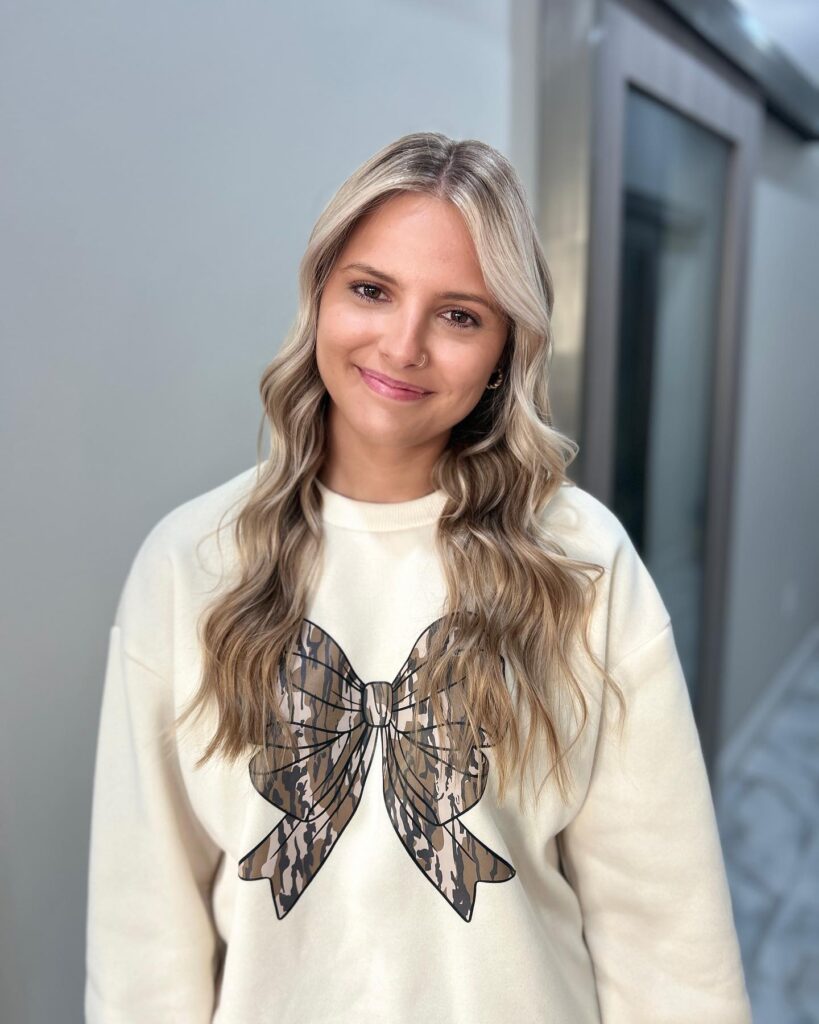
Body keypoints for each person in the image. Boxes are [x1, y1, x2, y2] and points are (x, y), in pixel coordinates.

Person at [84, 131, 752, 1024]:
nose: (402, 346)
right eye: (370, 290)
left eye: (459, 315)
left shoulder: (581, 563)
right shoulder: (190, 562)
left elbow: (665, 929)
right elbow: (143, 934)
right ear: (319, 292)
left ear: (503, 350)